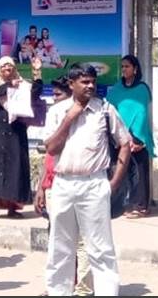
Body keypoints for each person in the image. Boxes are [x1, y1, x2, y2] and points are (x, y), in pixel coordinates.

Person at [43, 64, 130, 296]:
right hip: (63, 183)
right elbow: (51, 148)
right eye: (84, 81)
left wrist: (114, 183)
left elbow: (124, 143)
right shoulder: (57, 111)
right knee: (60, 246)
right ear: (71, 84)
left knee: (100, 248)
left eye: (93, 81)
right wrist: (70, 117)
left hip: (95, 184)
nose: (91, 85)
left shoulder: (105, 109)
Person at [35, 77, 93, 296]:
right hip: (53, 187)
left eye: (58, 95)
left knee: (80, 242)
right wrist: (41, 187)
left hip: (76, 186)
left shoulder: (83, 120)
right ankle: (59, 287)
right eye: (53, 95)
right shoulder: (56, 118)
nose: (54, 99)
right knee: (58, 240)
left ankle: (82, 289)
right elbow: (48, 157)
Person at [0, 55, 43, 218]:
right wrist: (7, 86)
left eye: (10, 66)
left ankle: (13, 207)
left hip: (15, 132)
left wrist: (37, 72)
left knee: (15, 167)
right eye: (4, 66)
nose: (7, 69)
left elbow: (35, 92)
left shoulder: (21, 84)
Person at [106, 54, 156, 218]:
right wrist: (118, 136)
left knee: (140, 173)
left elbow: (141, 114)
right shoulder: (116, 89)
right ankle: (119, 204)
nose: (124, 69)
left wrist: (136, 138)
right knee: (119, 170)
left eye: (127, 66)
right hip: (118, 137)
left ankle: (141, 206)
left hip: (137, 138)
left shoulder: (142, 89)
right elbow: (110, 111)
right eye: (122, 66)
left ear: (135, 69)